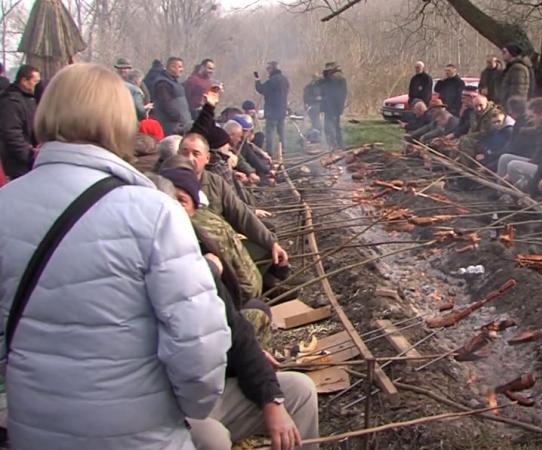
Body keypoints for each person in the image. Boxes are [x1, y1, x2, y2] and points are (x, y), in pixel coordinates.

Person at [0, 63, 231, 449]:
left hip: (34, 430)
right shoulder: (154, 212)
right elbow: (199, 346)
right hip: (139, 435)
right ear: (120, 120)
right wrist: (188, 408)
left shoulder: (5, 206)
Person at [155, 167, 320, 450]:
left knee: (299, 391)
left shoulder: (196, 260)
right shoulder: (130, 273)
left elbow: (236, 332)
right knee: (213, 438)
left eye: (179, 203)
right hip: (159, 405)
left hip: (209, 390)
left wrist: (270, 399)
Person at [177, 132, 289, 270]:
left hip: (220, 242)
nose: (189, 158)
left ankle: (264, 284)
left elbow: (240, 213)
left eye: (196, 154)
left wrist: (271, 243)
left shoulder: (215, 181)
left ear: (207, 158)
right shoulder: (167, 184)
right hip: (188, 249)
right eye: (184, 152)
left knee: (263, 249)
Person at [0, 64, 40, 180]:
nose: (37, 85)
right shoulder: (11, 101)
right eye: (35, 81)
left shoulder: (29, 99)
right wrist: (29, 156)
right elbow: (11, 133)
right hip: (16, 164)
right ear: (24, 80)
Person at [255, 61, 290, 156]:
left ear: (273, 69)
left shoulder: (272, 81)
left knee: (269, 132)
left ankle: (269, 152)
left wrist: (257, 80)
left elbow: (261, 89)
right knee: (281, 132)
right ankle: (282, 150)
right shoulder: (285, 79)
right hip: (282, 110)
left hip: (272, 111)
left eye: (268, 68)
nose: (267, 71)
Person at [152, 57, 192, 136]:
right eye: (179, 67)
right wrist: (178, 117)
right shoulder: (163, 83)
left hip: (181, 125)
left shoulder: (176, 82)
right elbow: (166, 104)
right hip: (170, 126)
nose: (182, 69)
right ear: (172, 67)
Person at [320, 62, 347, 151]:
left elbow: (328, 86)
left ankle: (334, 146)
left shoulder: (336, 78)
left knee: (330, 127)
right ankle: (338, 145)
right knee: (335, 127)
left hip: (333, 106)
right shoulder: (337, 77)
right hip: (334, 106)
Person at [498, 43, 533, 108]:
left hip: (513, 108)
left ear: (512, 53)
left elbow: (518, 90)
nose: (502, 54)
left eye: (504, 52)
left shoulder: (518, 68)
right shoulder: (511, 68)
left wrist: (513, 107)